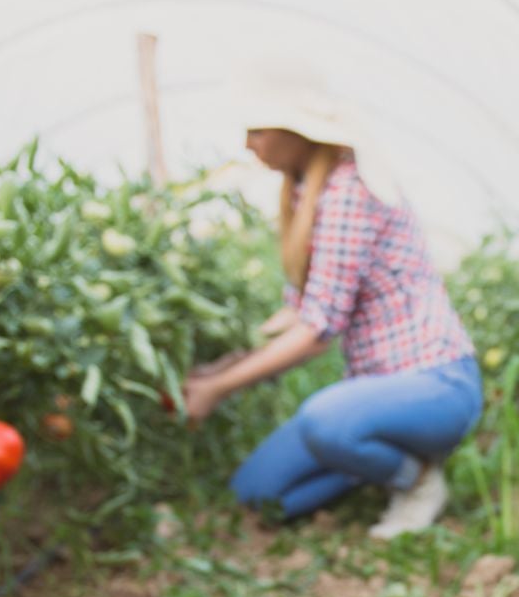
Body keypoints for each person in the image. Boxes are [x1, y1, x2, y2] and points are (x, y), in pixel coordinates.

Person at [183, 68, 482, 539]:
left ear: (297, 133)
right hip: (371, 392)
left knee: (327, 419)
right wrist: (222, 367)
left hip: (436, 384)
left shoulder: (349, 190)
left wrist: (218, 389)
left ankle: (417, 480)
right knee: (258, 493)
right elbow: (298, 315)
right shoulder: (306, 195)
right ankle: (374, 457)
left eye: (258, 131)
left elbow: (317, 329)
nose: (248, 144)